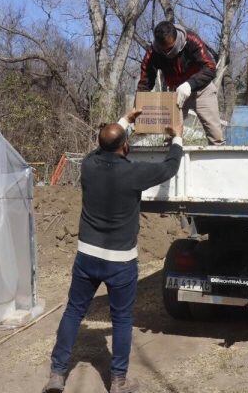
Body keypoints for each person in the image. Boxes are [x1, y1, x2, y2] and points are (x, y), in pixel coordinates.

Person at [43, 110, 183, 393]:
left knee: (73, 311)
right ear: (126, 147)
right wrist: (177, 137)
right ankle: (118, 381)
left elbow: (103, 146)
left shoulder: (88, 165)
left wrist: (124, 121)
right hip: (120, 262)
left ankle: (57, 374)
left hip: (87, 256)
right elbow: (170, 167)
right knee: (121, 319)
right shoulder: (133, 173)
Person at [137, 21, 225, 146]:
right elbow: (145, 80)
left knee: (216, 136)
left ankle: (217, 162)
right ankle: (172, 163)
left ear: (177, 39)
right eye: (163, 50)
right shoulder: (153, 53)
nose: (167, 54)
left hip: (202, 90)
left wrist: (190, 84)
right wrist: (140, 106)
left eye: (170, 49)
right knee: (171, 136)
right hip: (175, 93)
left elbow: (210, 67)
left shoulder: (192, 40)